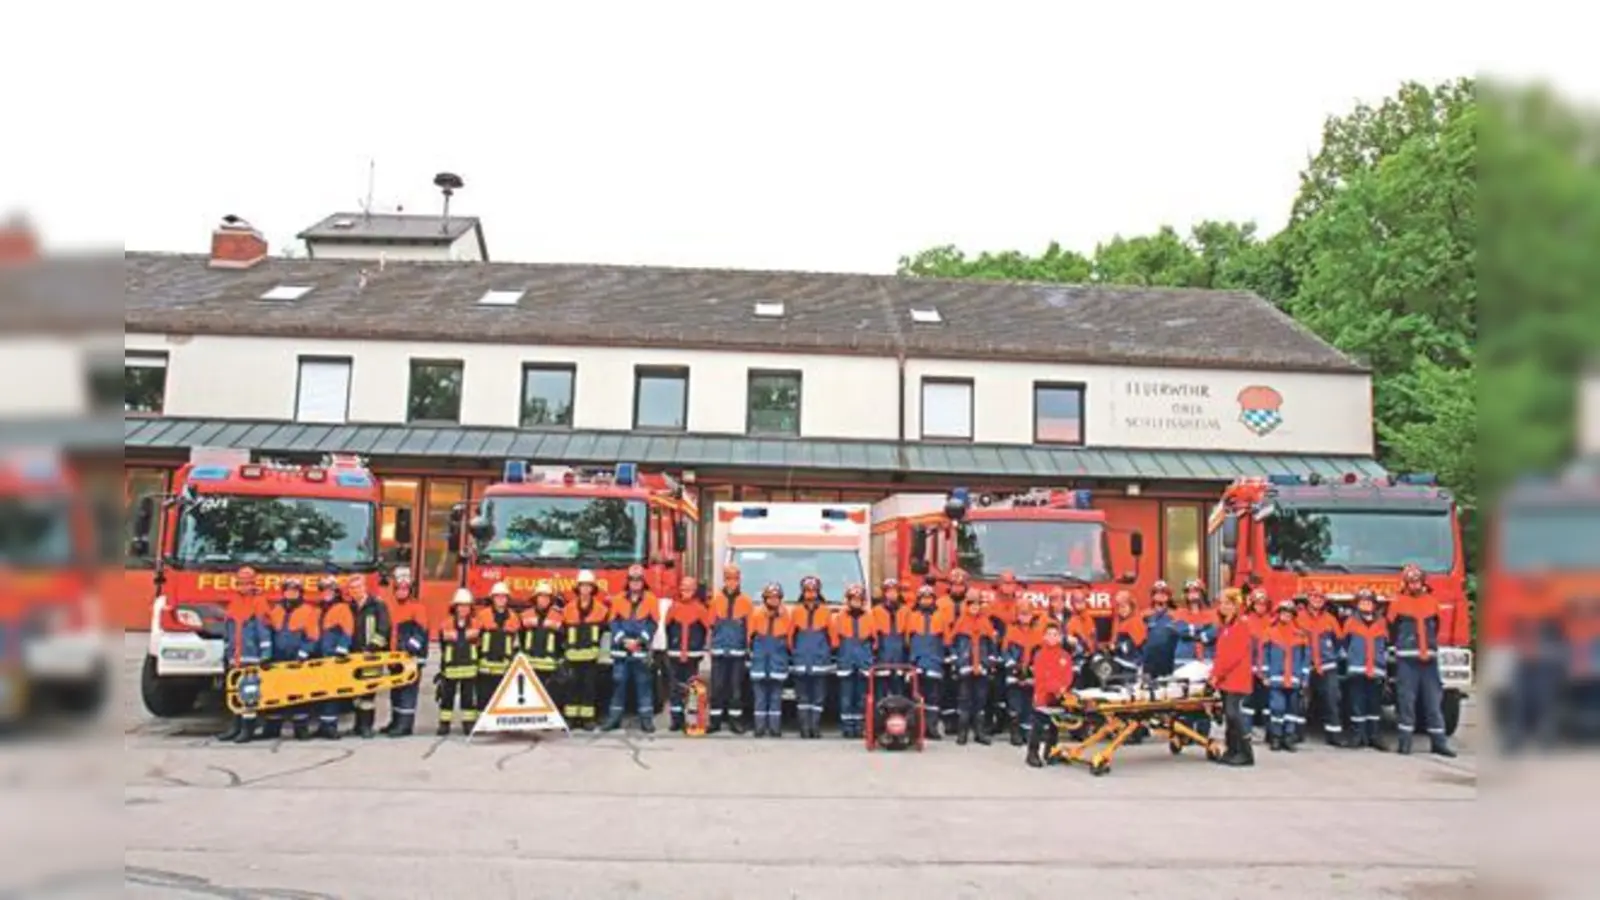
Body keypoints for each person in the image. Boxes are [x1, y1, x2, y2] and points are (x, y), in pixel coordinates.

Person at [1389, 564, 1457, 757]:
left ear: (1422, 582)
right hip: (1407, 661)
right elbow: (1391, 629)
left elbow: (1435, 627)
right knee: (1406, 702)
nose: (1414, 584)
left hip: (1429, 661)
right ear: (1406, 583)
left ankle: (1439, 743)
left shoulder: (1432, 602)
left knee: (1433, 703)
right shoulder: (1397, 602)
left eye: (1417, 580)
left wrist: (1428, 648)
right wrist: (1405, 645)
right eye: (1411, 581)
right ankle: (1405, 743)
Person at [218, 566, 273, 743]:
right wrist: (227, 654)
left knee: (249, 694)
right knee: (234, 693)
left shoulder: (259, 602)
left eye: (248, 583)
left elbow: (264, 631)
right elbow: (229, 631)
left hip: (252, 656)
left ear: (253, 583)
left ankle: (247, 729)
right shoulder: (234, 602)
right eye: (241, 583)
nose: (244, 586)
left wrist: (266, 654)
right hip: (236, 656)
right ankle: (235, 726)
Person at [604, 564, 659, 733]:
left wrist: (640, 641)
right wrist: (623, 640)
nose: (635, 583)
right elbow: (613, 622)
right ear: (627, 582)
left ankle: (646, 721)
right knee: (618, 685)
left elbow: (653, 623)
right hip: (621, 650)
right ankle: (613, 719)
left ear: (643, 582)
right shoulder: (618, 598)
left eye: (638, 580)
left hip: (640, 651)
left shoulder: (651, 599)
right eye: (632, 580)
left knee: (644, 685)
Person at [1208, 589, 1255, 766]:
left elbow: (1233, 655)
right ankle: (1232, 750)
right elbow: (1221, 654)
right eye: (1222, 603)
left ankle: (1245, 753)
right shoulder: (1226, 626)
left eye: (1228, 603)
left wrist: (1216, 675)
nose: (1224, 607)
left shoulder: (1241, 625)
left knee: (1233, 714)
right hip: (1226, 679)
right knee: (1230, 715)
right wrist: (1215, 674)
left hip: (1236, 677)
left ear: (1237, 605)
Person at [1297, 588, 1349, 747]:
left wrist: (1333, 656)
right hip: (1305, 666)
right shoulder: (1298, 617)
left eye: (1320, 597)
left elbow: (1339, 641)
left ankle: (1334, 735)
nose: (1317, 600)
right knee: (1300, 701)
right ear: (1308, 598)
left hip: (1327, 666)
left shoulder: (1330, 619)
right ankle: (1297, 734)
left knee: (1332, 699)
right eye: (1314, 597)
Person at [1259, 599, 1310, 752]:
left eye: (1289, 614)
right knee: (1277, 709)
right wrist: (1265, 675)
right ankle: (1276, 737)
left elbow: (1305, 658)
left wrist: (1304, 678)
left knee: (1292, 711)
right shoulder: (1270, 632)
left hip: (1294, 679)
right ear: (1279, 614)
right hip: (1276, 679)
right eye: (1283, 613)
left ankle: (1289, 737)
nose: (1286, 616)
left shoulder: (1300, 634)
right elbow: (1265, 656)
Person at [707, 564, 753, 734]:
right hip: (719, 650)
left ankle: (735, 721)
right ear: (724, 580)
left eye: (734, 579)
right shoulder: (716, 600)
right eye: (728, 578)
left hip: (738, 651)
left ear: (739, 580)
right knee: (717, 687)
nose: (731, 582)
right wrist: (710, 646)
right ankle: (715, 721)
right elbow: (710, 625)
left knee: (736, 688)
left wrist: (748, 647)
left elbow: (750, 627)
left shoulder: (746, 601)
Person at [562, 570, 610, 730]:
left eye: (588, 586)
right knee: (571, 686)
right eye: (582, 586)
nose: (585, 589)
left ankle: (588, 719)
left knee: (589, 686)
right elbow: (563, 632)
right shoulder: (567, 609)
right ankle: (571, 717)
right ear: (578, 588)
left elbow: (604, 631)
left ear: (592, 589)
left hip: (591, 657)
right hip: (572, 656)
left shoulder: (601, 609)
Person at [1342, 589, 1389, 751]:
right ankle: (1357, 736)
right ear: (1357, 605)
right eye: (1362, 602)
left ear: (1374, 605)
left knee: (1375, 705)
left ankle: (1374, 736)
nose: (1366, 605)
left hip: (1376, 670)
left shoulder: (1382, 622)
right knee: (1357, 704)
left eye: (1369, 602)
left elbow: (1385, 645)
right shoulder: (1350, 622)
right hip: (1357, 671)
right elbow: (1345, 643)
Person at [903, 584, 952, 740]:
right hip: (917, 662)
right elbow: (907, 641)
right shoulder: (912, 616)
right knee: (916, 696)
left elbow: (946, 640)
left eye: (929, 598)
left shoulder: (941, 616)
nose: (926, 601)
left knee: (934, 697)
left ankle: (932, 727)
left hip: (934, 662)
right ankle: (916, 728)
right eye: (923, 598)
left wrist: (944, 657)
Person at [789, 575, 834, 740]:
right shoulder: (796, 612)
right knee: (802, 698)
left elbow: (833, 638)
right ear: (802, 592)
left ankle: (814, 726)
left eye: (813, 591)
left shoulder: (826, 612)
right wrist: (795, 653)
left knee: (818, 697)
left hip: (820, 662)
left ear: (818, 592)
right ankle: (804, 728)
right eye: (807, 591)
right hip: (801, 662)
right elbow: (790, 637)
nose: (810, 594)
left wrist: (825, 653)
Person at [664, 575, 711, 732]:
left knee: (692, 689)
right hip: (675, 654)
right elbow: (667, 628)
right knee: (674, 688)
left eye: (689, 588)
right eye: (684, 587)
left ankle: (692, 720)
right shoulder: (673, 607)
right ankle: (676, 720)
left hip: (692, 656)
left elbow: (708, 629)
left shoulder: (700, 609)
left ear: (695, 590)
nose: (686, 591)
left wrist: (703, 648)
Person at [949, 593, 997, 745]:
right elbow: (952, 645)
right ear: (967, 606)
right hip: (965, 668)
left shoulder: (986, 623)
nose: (975, 607)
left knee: (980, 701)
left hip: (981, 669)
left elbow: (992, 647)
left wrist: (988, 663)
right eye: (972, 604)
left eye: (977, 604)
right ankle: (962, 733)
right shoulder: (960, 623)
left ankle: (979, 733)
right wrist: (958, 663)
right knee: (964, 700)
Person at [384, 569, 427, 737]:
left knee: (407, 692)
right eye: (399, 588)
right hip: (395, 657)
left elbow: (420, 633)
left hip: (411, 658)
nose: (402, 591)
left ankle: (405, 726)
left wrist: (409, 650)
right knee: (396, 691)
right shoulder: (391, 606)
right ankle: (396, 721)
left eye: (405, 588)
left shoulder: (417, 607)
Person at [310, 576, 355, 740]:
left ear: (336, 592)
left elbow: (348, 630)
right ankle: (323, 725)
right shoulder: (318, 610)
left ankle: (330, 726)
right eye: (324, 591)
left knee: (332, 692)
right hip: (319, 656)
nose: (326, 594)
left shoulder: (342, 608)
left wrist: (341, 650)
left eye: (330, 591)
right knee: (321, 692)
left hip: (333, 656)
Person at [831, 584, 878, 739]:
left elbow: (874, 640)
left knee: (861, 697)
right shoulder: (839, 617)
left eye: (859, 600)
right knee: (846, 696)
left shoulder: (870, 617)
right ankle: (847, 727)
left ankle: (859, 726)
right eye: (853, 600)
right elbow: (835, 640)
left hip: (863, 661)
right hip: (846, 660)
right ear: (848, 600)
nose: (856, 603)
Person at [1026, 620, 1075, 768]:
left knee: (1055, 725)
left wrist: (1063, 688)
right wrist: (1056, 688)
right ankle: (1032, 754)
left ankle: (1050, 752)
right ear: (1044, 637)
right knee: (1038, 726)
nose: (1052, 637)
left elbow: (1068, 675)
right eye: (1049, 634)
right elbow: (1042, 676)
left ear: (1060, 637)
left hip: (1059, 696)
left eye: (1055, 634)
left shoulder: (1065, 656)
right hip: (1043, 695)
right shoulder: (1040, 655)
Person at [348, 575, 391, 738]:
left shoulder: (377, 606)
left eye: (358, 587)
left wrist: (372, 648)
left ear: (364, 588)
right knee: (356, 693)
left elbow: (384, 629)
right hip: (354, 657)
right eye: (352, 589)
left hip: (371, 657)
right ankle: (358, 725)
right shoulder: (350, 607)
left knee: (368, 693)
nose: (355, 591)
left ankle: (367, 727)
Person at [747, 583, 793, 737]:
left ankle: (775, 728)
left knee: (775, 698)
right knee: (760, 699)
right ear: (765, 599)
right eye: (770, 598)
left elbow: (789, 639)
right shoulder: (757, 615)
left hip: (777, 664)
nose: (773, 601)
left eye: (776, 598)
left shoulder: (786, 616)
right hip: (760, 664)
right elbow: (750, 638)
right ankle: (759, 728)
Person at [436, 589, 481, 736]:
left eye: (466, 606)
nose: (463, 609)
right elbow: (442, 646)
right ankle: (444, 724)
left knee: (468, 698)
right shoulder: (445, 624)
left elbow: (479, 644)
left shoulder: (477, 624)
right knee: (447, 697)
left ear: (470, 608)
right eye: (460, 606)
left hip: (469, 667)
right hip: (451, 667)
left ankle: (468, 724)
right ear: (454, 607)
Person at [475, 582, 522, 713]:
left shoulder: (514, 618)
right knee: (483, 696)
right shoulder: (482, 615)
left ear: (507, 599)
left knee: (503, 698)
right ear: (492, 598)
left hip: (504, 666)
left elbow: (516, 643)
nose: (501, 599)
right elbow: (476, 640)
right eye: (498, 597)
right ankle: (482, 722)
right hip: (485, 666)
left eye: (503, 597)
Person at [1003, 601, 1045, 746]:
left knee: (1029, 704)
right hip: (1014, 673)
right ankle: (1015, 732)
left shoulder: (1038, 632)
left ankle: (1026, 731)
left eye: (1027, 613)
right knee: (1015, 705)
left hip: (1031, 675)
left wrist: (1033, 671)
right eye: (1022, 613)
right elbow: (1005, 653)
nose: (1025, 617)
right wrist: (1014, 668)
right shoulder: (1011, 630)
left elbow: (1041, 654)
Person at [937, 568, 973, 732]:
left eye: (961, 585)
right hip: (946, 646)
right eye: (954, 585)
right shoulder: (940, 603)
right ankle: (949, 720)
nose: (958, 589)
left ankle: (964, 720)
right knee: (947, 686)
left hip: (966, 647)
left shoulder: (971, 604)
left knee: (966, 686)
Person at [987, 572, 1021, 732]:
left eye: (1011, 583)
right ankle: (998, 722)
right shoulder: (991, 607)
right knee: (997, 688)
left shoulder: (1020, 606)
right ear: (999, 585)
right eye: (1005, 583)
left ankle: (1014, 722)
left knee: (1014, 687)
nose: (1008, 587)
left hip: (1015, 651)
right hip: (997, 649)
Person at [1242, 588, 1274, 730]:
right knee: (1249, 701)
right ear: (1252, 605)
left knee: (1267, 702)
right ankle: (1246, 731)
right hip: (1249, 668)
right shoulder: (1245, 621)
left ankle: (1270, 732)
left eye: (1263, 604)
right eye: (1258, 603)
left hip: (1268, 668)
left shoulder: (1273, 622)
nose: (1261, 606)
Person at [1173, 579, 1217, 667]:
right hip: (1183, 658)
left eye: (1195, 590)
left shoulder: (1213, 613)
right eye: (1188, 591)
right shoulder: (1179, 612)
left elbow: (1214, 633)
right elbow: (1181, 631)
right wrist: (1203, 628)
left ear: (1202, 593)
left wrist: (1192, 630)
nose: (1192, 593)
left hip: (1207, 657)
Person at [1143, 581, 1181, 678]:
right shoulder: (1145, 615)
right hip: (1149, 662)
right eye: (1157, 592)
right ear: (1152, 596)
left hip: (1168, 661)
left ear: (1169, 596)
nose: (1160, 596)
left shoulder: (1176, 614)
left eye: (1164, 593)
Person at [1109, 591, 1147, 677]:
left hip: (1132, 665)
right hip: (1120, 663)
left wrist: (1118, 646)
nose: (1122, 610)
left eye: (1124, 606)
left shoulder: (1136, 622)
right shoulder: (1118, 622)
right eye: (1118, 607)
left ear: (1131, 606)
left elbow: (1139, 645)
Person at [1064, 591, 1098, 678]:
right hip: (1078, 656)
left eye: (1082, 601)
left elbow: (1093, 636)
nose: (1080, 605)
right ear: (1072, 604)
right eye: (1077, 602)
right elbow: (1069, 639)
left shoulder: (1089, 618)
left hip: (1091, 655)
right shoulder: (1071, 621)